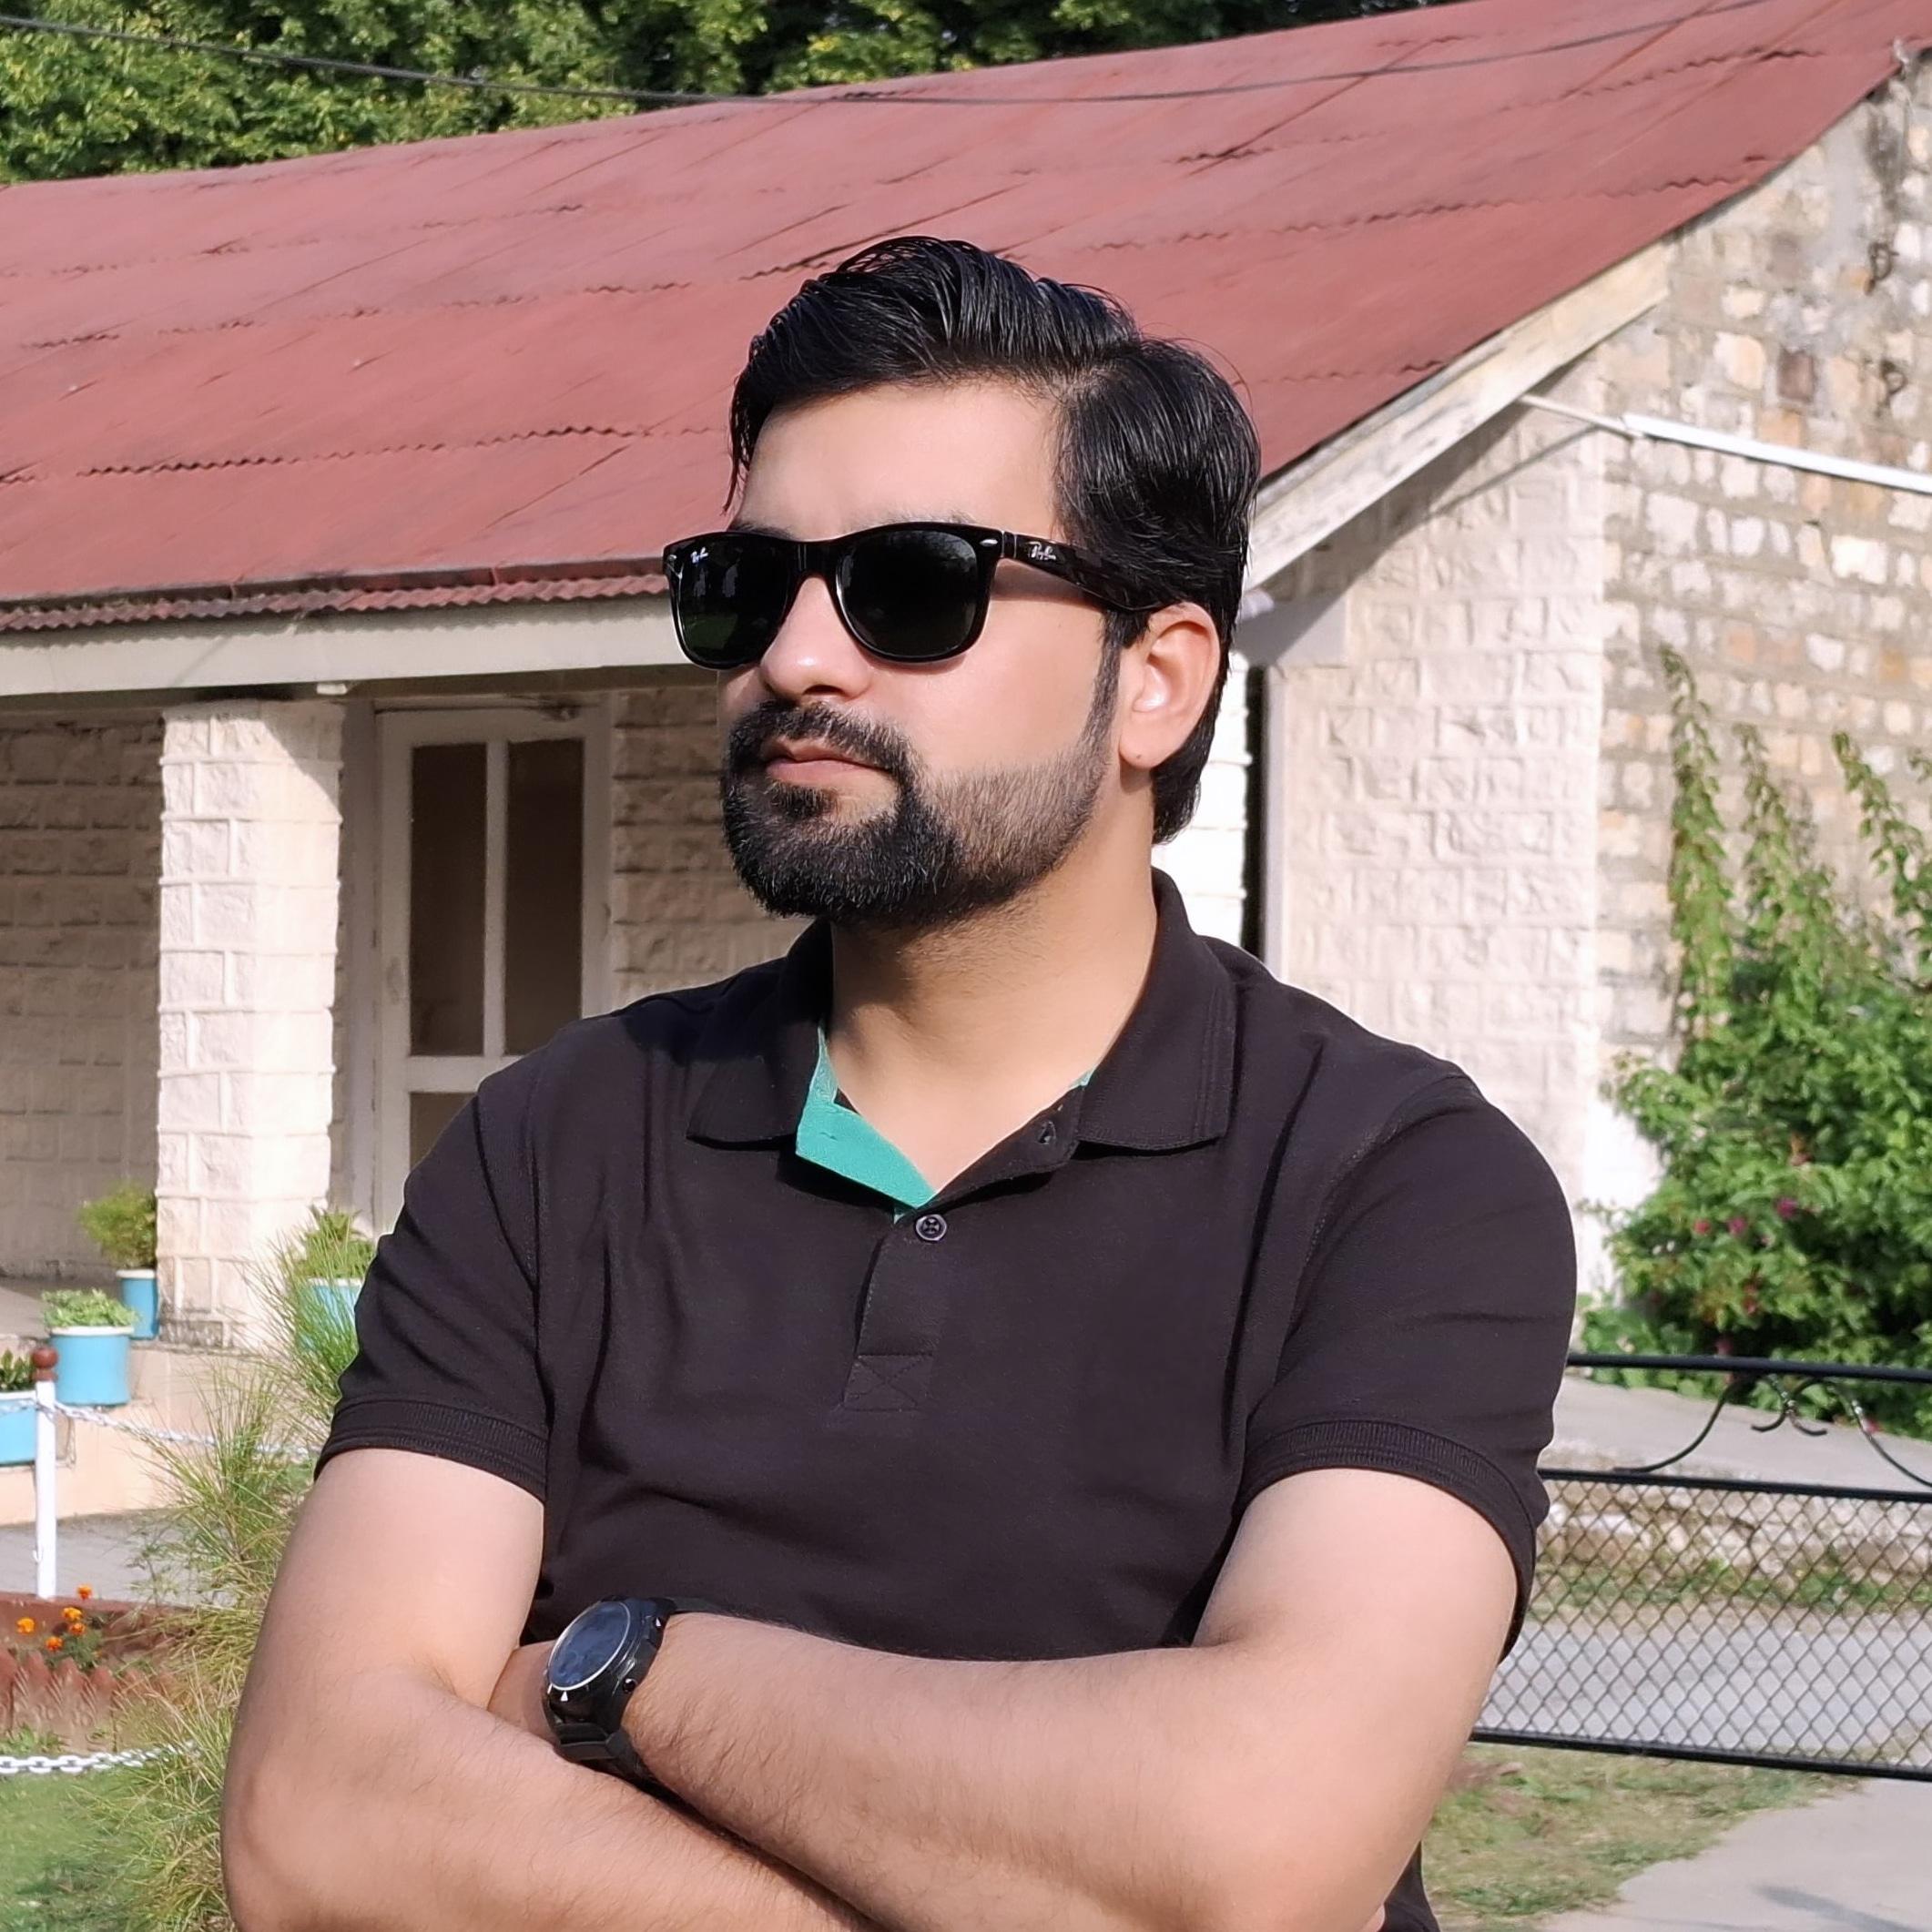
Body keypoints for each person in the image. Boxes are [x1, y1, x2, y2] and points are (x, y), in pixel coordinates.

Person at [222, 234, 1576, 1932]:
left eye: (911, 585)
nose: (798, 655)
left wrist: (622, 1671)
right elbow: (317, 1821)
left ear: (1155, 678)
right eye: (747, 583)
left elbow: (1255, 1851)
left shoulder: (1394, 1178)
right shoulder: (554, 1142)